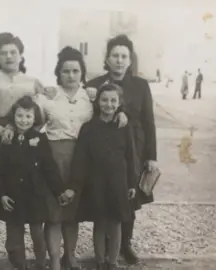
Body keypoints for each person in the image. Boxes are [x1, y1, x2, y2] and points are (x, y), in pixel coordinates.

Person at [4, 46, 128, 270]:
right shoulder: (48, 97)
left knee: (73, 214)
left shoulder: (90, 96)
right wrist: (11, 126)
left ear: (82, 73)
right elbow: (25, 114)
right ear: (58, 73)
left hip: (83, 160)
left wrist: (122, 113)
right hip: (52, 158)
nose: (71, 75)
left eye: (75, 71)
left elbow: (111, 105)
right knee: (53, 214)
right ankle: (54, 262)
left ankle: (70, 257)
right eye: (66, 71)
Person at [0, 32, 47, 268]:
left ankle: (18, 245)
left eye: (13, 52)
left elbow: (42, 114)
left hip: (21, 139)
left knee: (19, 186)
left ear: (21, 54)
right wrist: (0, 131)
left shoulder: (32, 82)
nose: (8, 56)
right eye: (3, 52)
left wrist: (25, 132)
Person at [84, 34, 158, 265]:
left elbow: (149, 121)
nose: (119, 60)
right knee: (106, 196)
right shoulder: (95, 85)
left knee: (129, 197)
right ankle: (106, 245)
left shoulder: (140, 85)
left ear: (130, 60)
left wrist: (152, 157)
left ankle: (124, 244)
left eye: (124, 56)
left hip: (135, 148)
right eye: (115, 55)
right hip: (106, 150)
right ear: (107, 59)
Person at [0, 96, 74, 270]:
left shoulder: (40, 138)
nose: (24, 120)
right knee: (14, 238)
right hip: (13, 197)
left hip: (35, 197)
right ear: (13, 117)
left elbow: (49, 168)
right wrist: (2, 194)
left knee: (37, 235)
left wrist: (59, 190)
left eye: (28, 116)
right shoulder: (7, 139)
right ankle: (19, 265)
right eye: (20, 116)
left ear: (35, 118)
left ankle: (40, 265)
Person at [67, 83, 138, 270]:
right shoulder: (88, 128)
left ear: (119, 102)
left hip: (118, 182)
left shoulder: (124, 126)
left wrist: (132, 183)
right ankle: (100, 260)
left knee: (115, 222)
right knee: (99, 221)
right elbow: (80, 159)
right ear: (97, 102)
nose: (108, 104)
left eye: (113, 100)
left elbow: (131, 157)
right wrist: (76, 184)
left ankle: (113, 262)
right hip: (96, 182)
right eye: (104, 100)